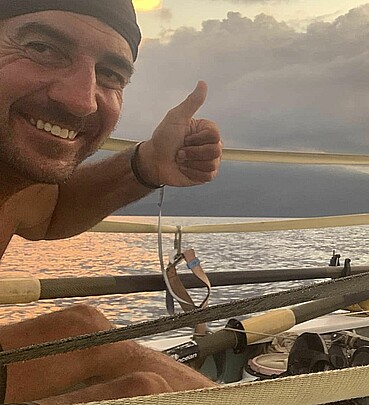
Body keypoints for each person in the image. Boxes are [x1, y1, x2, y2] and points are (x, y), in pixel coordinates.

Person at [0, 1, 223, 403]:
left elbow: (48, 212)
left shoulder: (9, 184)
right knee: (142, 389)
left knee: (84, 330)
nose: (82, 100)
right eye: (42, 47)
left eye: (110, 75)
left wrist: (146, 165)